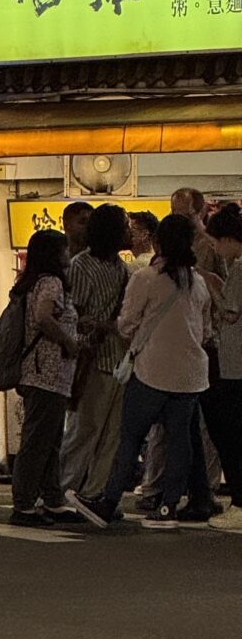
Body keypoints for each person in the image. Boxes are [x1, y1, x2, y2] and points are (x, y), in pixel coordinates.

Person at [66, 211, 214, 533]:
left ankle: (107, 503)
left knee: (129, 439)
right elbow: (204, 332)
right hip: (190, 376)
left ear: (158, 243)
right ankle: (167, 507)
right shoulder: (198, 283)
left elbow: (126, 325)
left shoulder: (145, 279)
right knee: (180, 442)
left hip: (152, 373)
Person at [59, 204, 132, 507]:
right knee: (84, 428)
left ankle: (93, 492)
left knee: (112, 433)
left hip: (117, 360)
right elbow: (72, 311)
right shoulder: (81, 265)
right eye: (125, 225)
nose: (129, 231)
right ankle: (64, 489)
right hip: (91, 358)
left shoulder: (122, 268)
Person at [7, 230, 81, 527]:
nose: (67, 254)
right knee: (39, 440)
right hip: (46, 372)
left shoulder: (33, 282)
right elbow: (43, 317)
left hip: (49, 374)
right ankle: (23, 503)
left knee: (50, 439)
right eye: (63, 249)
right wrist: (68, 341)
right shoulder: (50, 282)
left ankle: (53, 497)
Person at [203, 203, 242, 533]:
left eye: (216, 242)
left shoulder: (240, 269)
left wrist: (210, 281)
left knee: (232, 435)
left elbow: (230, 312)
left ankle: (240, 503)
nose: (214, 248)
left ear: (230, 239)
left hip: (235, 364)